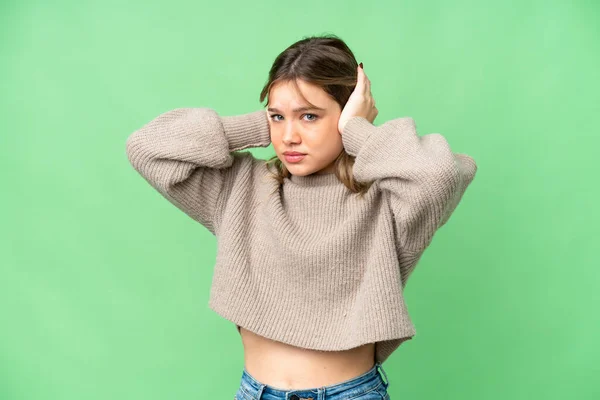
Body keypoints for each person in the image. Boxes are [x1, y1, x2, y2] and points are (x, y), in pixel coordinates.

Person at [125, 34, 477, 400]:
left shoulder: (386, 198)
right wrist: (263, 125)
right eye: (278, 117)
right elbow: (147, 148)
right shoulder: (241, 187)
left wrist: (356, 130)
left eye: (309, 116)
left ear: (345, 113)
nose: (289, 136)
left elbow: (438, 177)